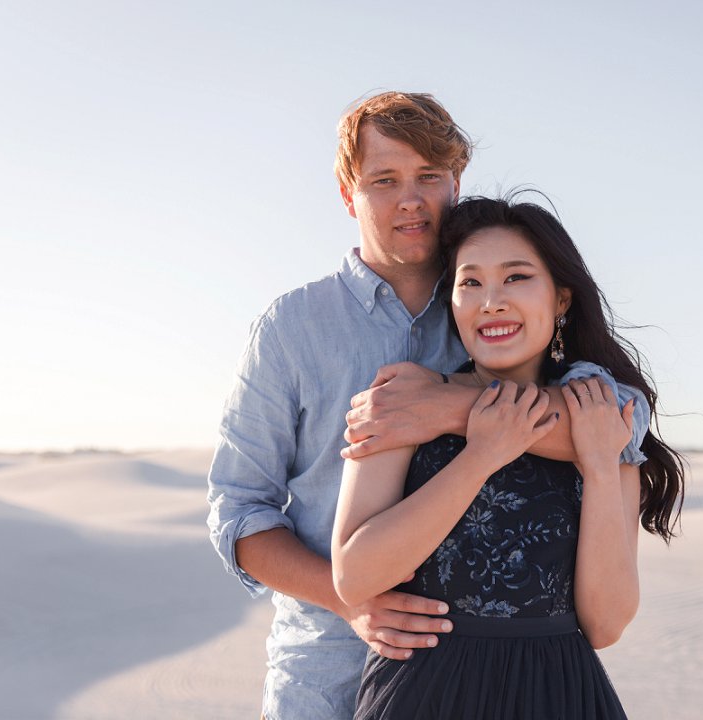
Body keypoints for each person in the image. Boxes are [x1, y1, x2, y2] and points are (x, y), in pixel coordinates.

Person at [206, 93, 641, 720]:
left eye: (429, 177)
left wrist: (449, 409)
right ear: (347, 194)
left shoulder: (488, 305)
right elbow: (239, 510)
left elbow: (620, 428)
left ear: (455, 184)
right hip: (324, 672)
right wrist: (348, 599)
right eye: (384, 180)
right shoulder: (292, 328)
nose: (410, 199)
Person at [332, 195, 685, 719]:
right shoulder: (406, 402)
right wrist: (481, 456)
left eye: (516, 277)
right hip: (425, 694)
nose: (490, 301)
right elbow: (355, 577)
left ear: (561, 299)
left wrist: (598, 468)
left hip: (558, 695)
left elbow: (606, 623)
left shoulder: (599, 417)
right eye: (470, 282)